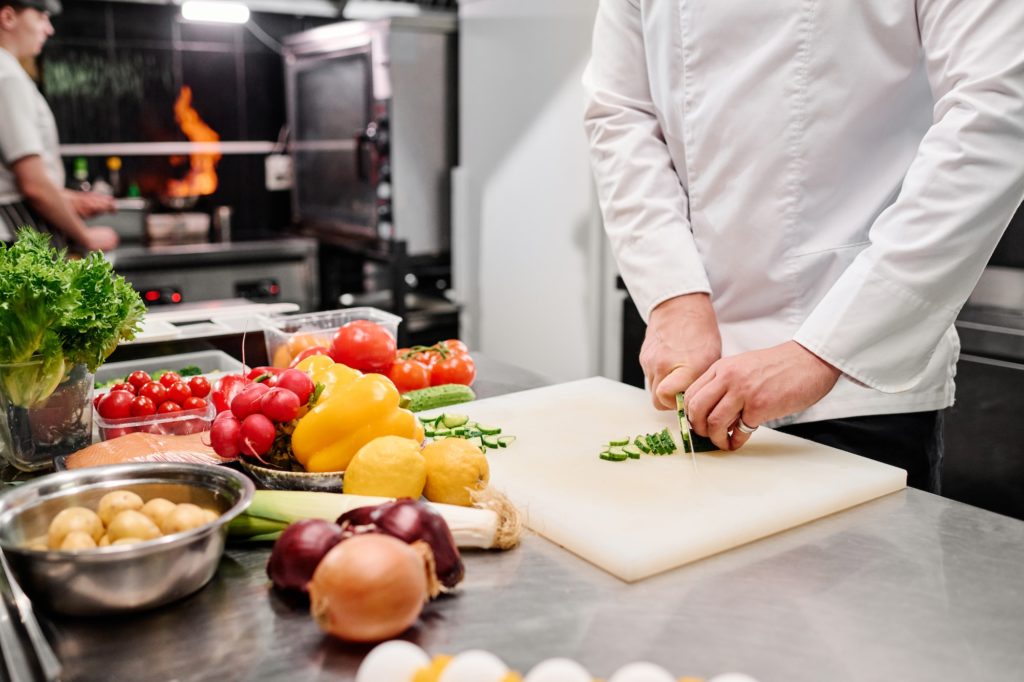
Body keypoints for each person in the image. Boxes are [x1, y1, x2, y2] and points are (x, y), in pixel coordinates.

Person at [583, 0, 1024, 491]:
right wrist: (673, 295)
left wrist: (824, 348)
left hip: (856, 387)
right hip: (691, 375)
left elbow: (998, 112)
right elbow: (620, 113)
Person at [0, 0, 118, 251]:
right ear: (8, 18)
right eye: (42, 17)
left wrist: (70, 199)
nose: (49, 29)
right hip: (15, 233)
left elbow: (8, 181)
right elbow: (33, 186)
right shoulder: (7, 77)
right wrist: (86, 236)